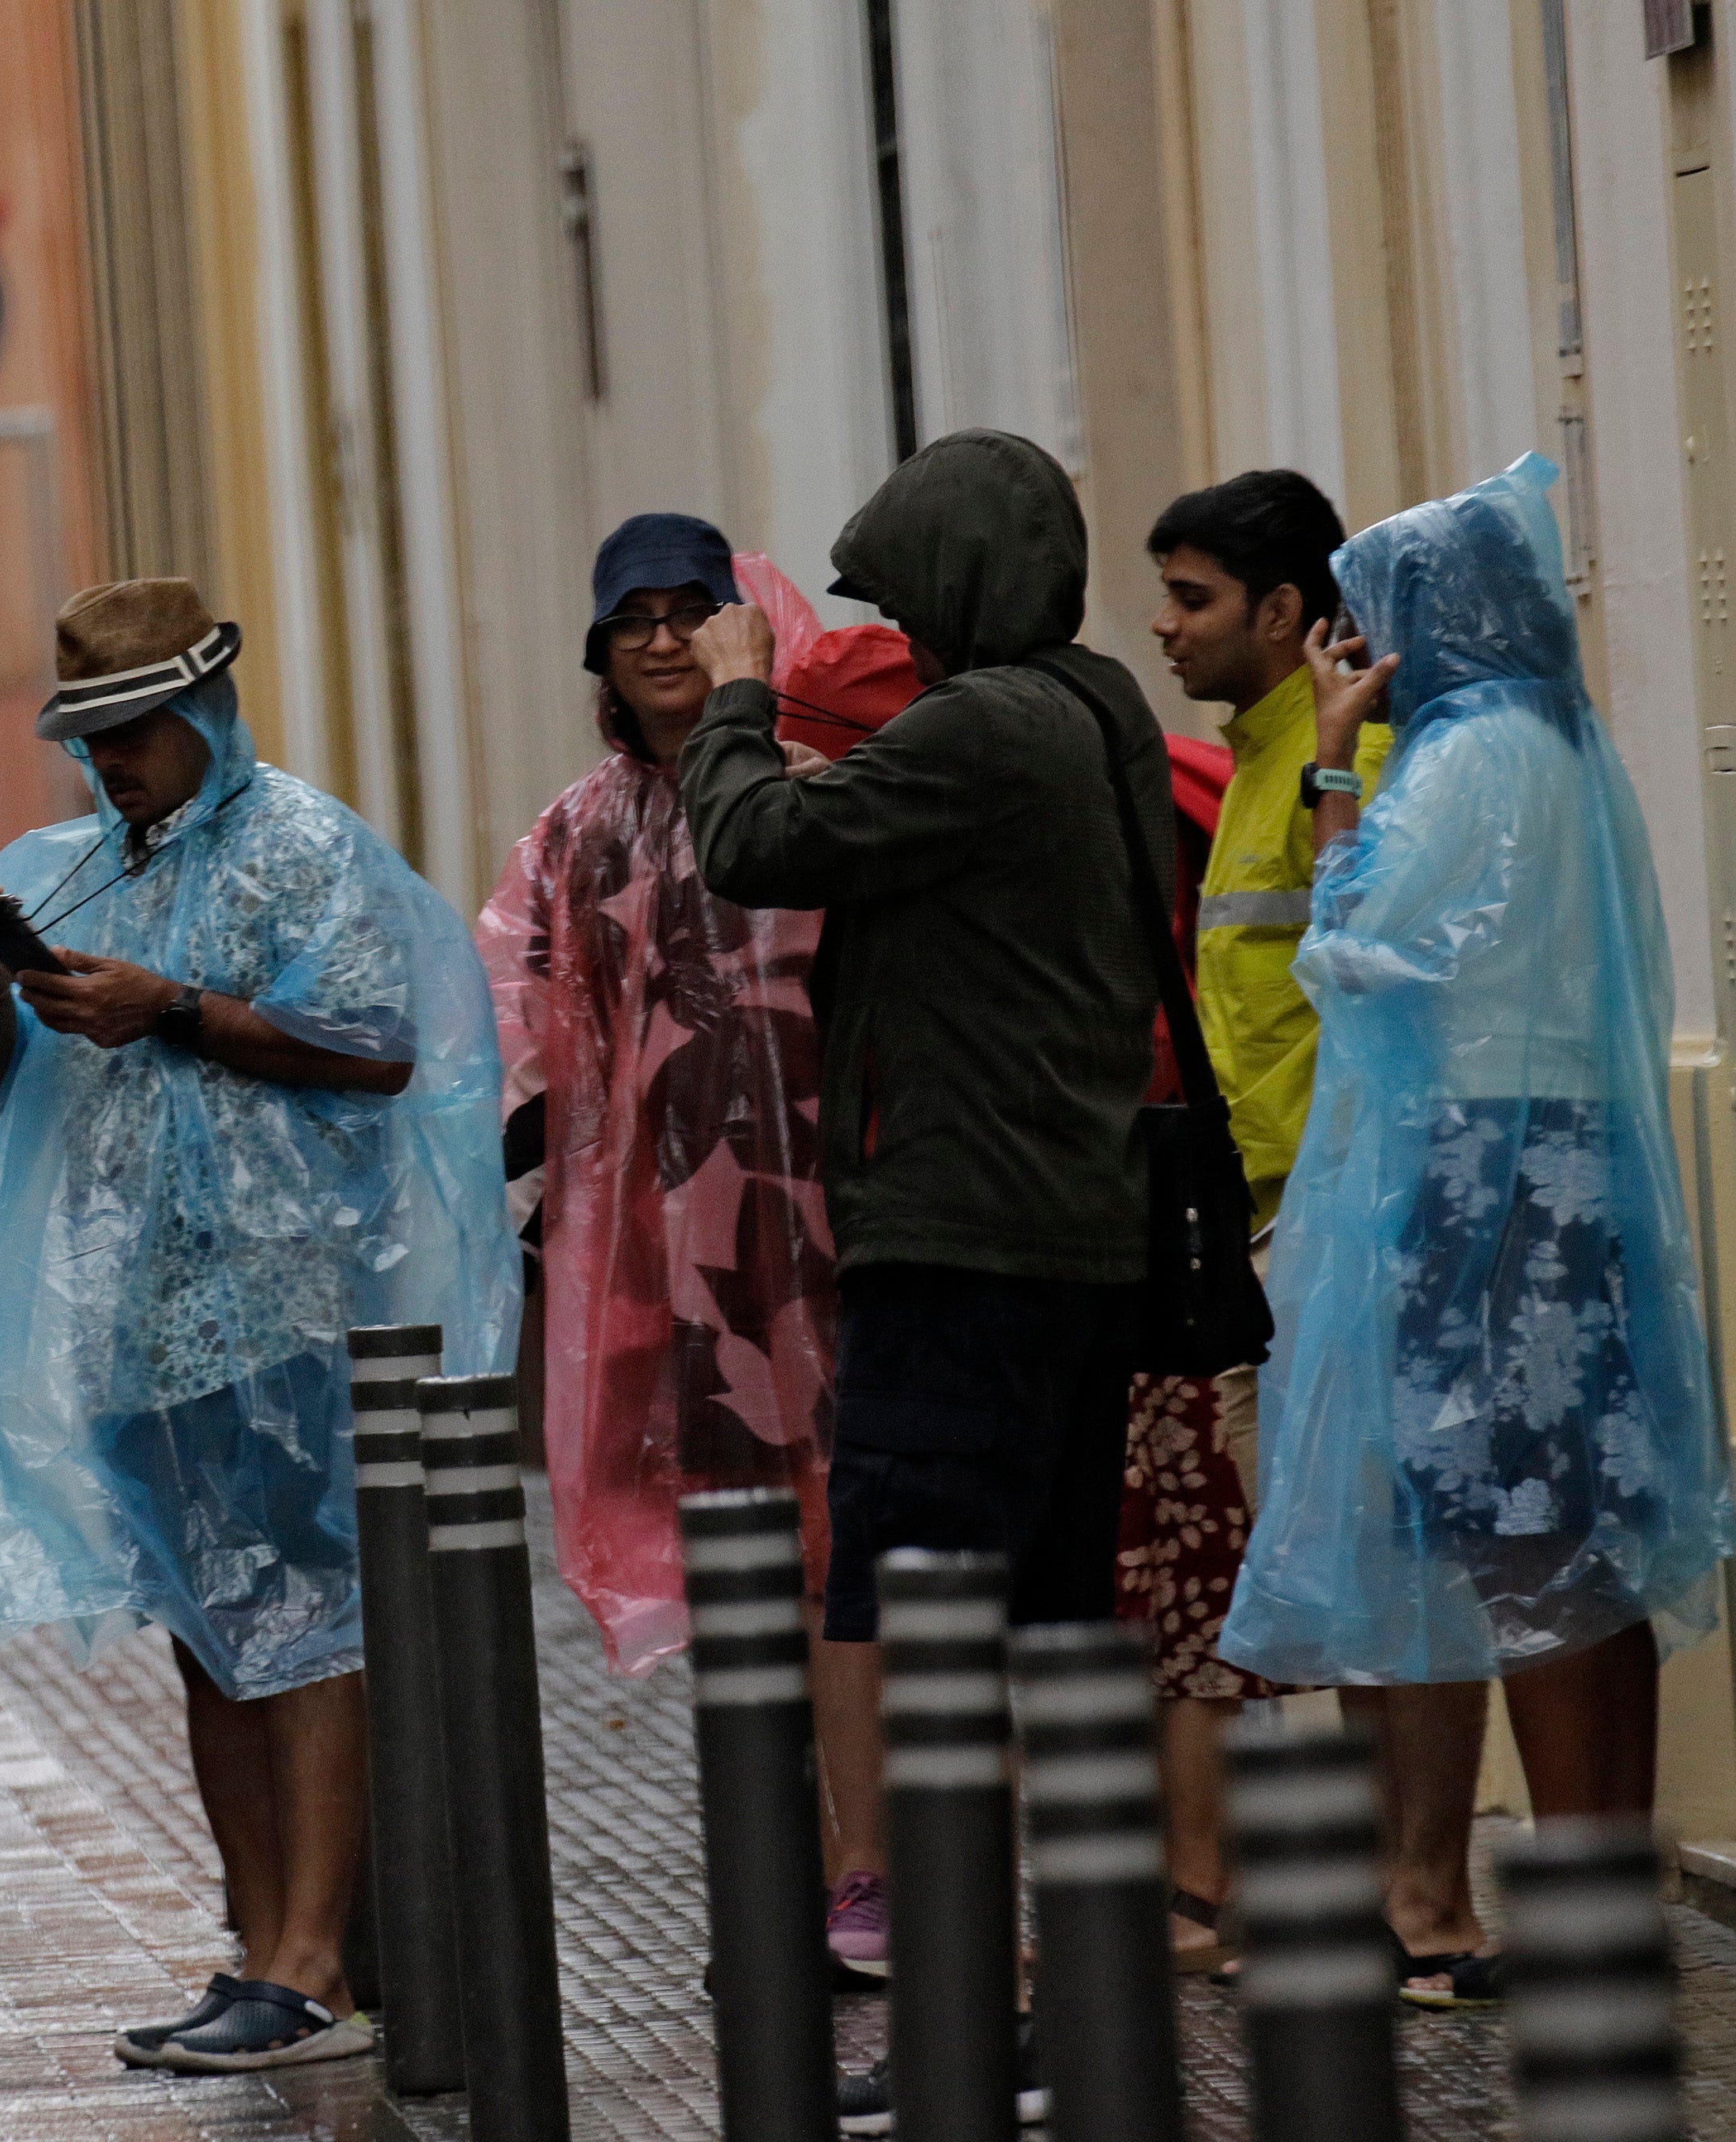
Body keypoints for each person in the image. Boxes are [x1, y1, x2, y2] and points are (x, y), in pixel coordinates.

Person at [0, 578, 514, 2075]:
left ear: (204, 711)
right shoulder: (81, 873)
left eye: (135, 726)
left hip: (286, 1308)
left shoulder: (302, 849)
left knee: (308, 1622)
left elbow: (380, 1051)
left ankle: (316, 1965)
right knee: (207, 1632)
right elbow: (5, 1091)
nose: (112, 758)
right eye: (91, 735)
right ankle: (258, 1946)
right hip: (135, 1322)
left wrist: (177, 1008)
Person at [680, 429, 1170, 2122]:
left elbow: (749, 843)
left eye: (900, 601)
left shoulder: (985, 729)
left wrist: (734, 700)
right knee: (1043, 1631)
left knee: (921, 1624)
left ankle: (969, 2018)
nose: (892, 634)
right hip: (1071, 1229)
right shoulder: (1095, 708)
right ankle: (1052, 2014)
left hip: (964, 1236)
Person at [1221, 456, 1736, 1999]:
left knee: (1526, 1540)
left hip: (1486, 1173)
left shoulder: (1464, 758)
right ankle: (1598, 1892)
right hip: (1559, 1162)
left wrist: (1329, 763)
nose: (1361, 656)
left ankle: (1579, 1915)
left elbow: (1352, 944)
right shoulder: (1564, 745)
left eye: (1374, 622)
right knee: (1574, 1540)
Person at [473, 513, 912, 1980]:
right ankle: (777, 1878)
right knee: (739, 1567)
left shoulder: (810, 791)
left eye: (688, 610)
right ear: (598, 650)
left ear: (741, 626)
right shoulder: (573, 836)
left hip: (832, 1240)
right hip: (670, 1268)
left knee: (843, 1555)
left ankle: (870, 1867)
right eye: (632, 618)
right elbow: (520, 1038)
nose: (661, 639)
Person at [1125, 469, 1399, 1976]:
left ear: (1284, 611)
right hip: (1265, 1225)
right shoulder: (1255, 760)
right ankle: (1356, 1884)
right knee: (1308, 1573)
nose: (1164, 626)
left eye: (1193, 599)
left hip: (1328, 1222)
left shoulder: (1339, 758)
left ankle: (1388, 1890)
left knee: (1353, 1571)